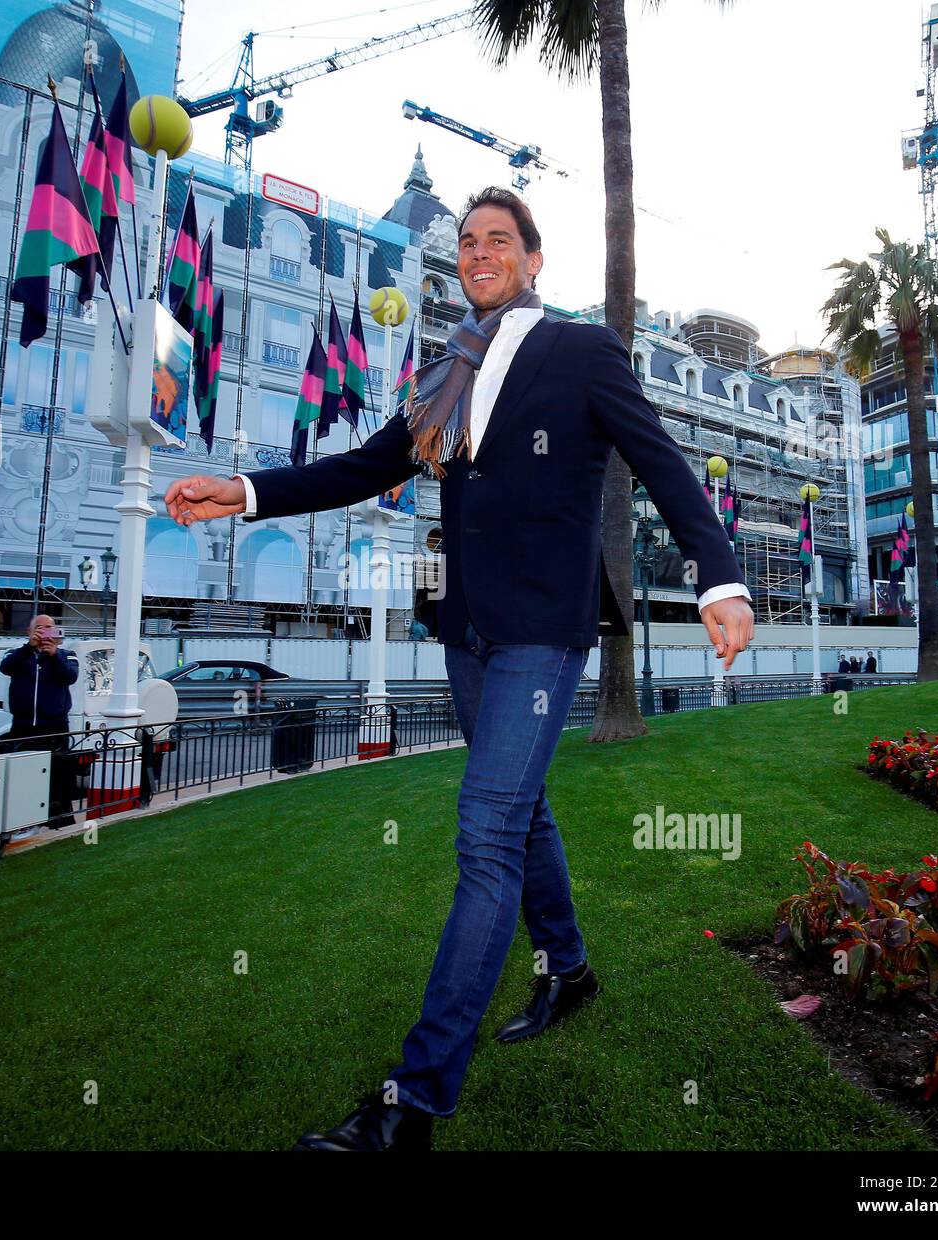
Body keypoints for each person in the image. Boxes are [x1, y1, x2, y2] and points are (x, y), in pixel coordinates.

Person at [166, 187, 755, 1151]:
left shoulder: (580, 350)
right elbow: (363, 466)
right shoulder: (447, 371)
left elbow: (663, 463)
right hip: (467, 628)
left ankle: (414, 1101)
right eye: (469, 242)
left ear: (531, 261)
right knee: (522, 814)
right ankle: (566, 967)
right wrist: (242, 490)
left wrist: (719, 578)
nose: (480, 253)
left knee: (484, 839)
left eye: (499, 240)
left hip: (542, 634)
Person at [0, 615, 79, 828]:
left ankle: (59, 821)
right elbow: (6, 668)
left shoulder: (67, 655)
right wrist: (29, 648)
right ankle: (24, 821)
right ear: (30, 631)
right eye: (40, 628)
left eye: (49, 628)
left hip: (55, 726)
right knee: (23, 777)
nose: (45, 633)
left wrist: (53, 656)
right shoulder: (18, 654)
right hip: (23, 725)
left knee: (57, 777)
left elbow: (70, 677)